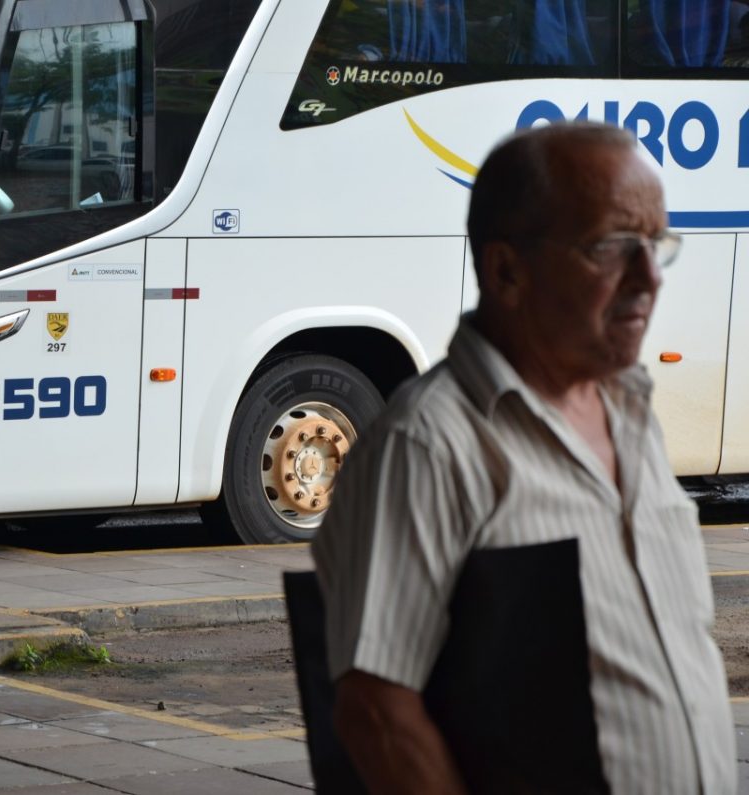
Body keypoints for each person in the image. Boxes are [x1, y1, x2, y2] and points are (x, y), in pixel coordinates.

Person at [312, 122, 735, 794]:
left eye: (656, 245)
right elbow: (377, 710)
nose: (649, 277)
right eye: (613, 247)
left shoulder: (631, 412)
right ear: (507, 269)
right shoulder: (429, 443)